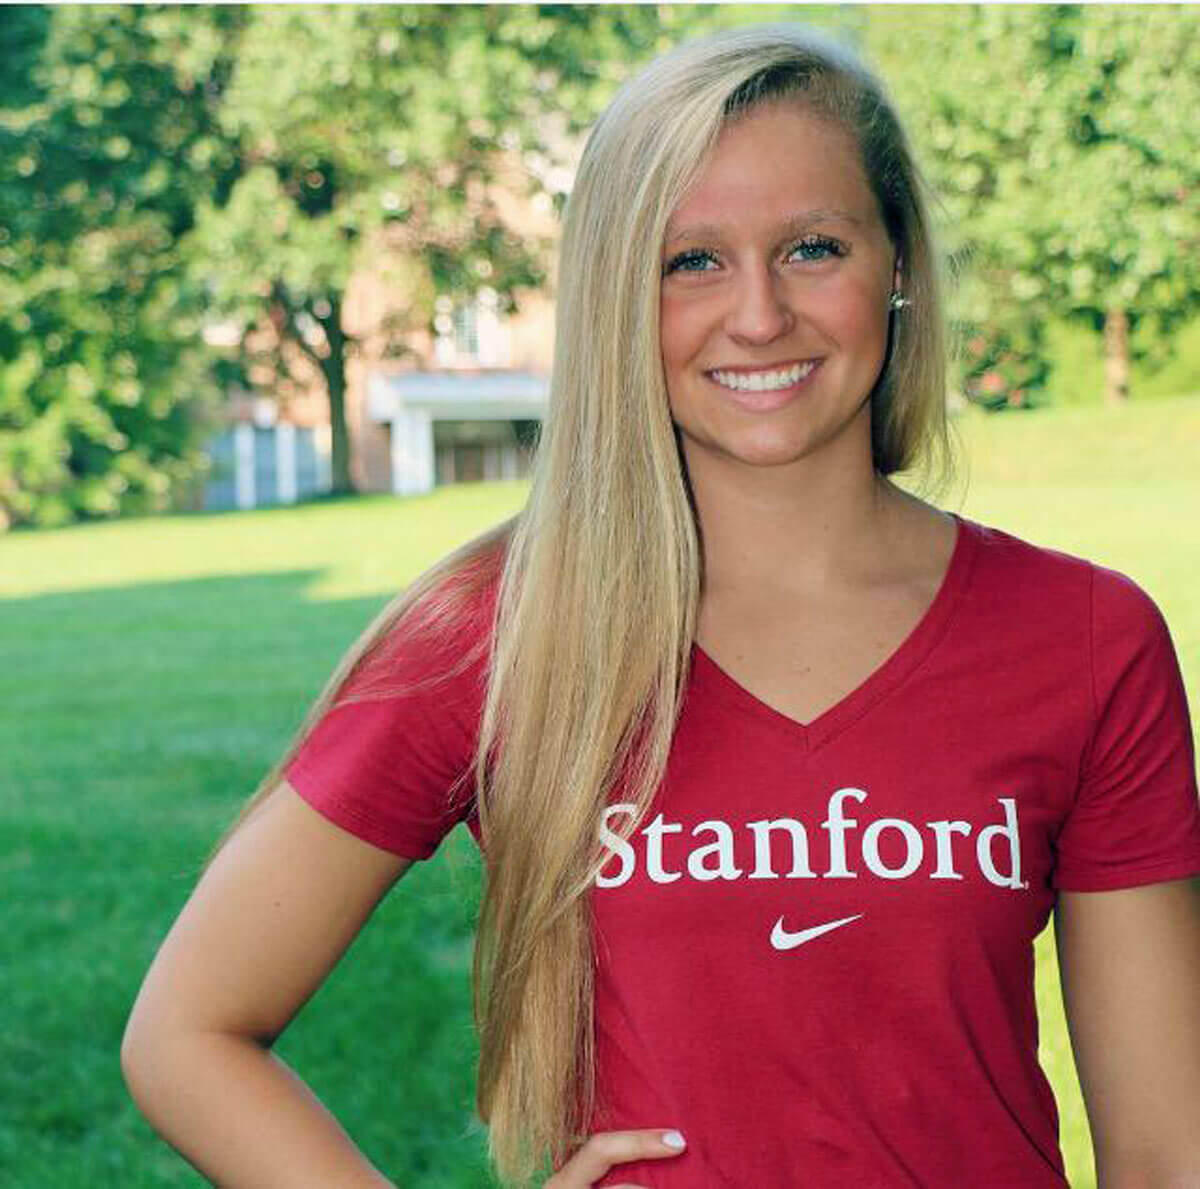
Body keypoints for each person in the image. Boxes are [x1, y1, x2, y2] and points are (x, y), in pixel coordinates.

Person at [121, 23, 1200, 1188]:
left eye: (813, 246)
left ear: (898, 267)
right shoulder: (500, 630)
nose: (757, 315)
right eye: (691, 261)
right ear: (615, 295)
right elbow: (187, 1032)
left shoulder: (1083, 637)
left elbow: (1161, 1149)